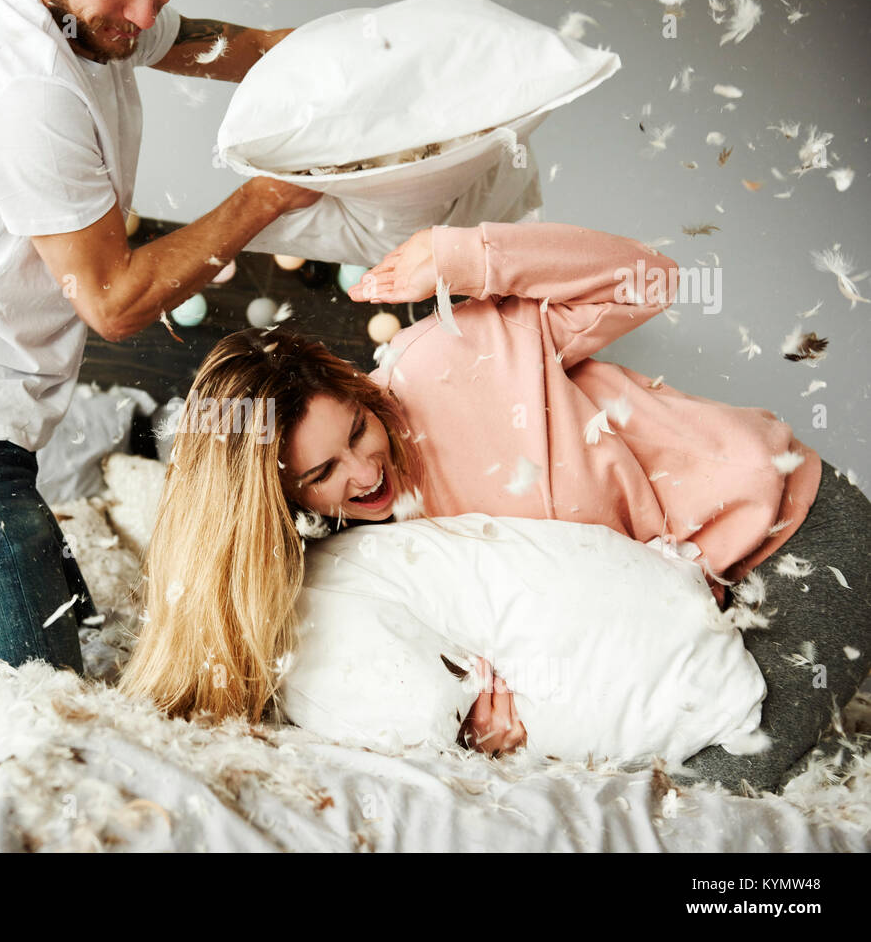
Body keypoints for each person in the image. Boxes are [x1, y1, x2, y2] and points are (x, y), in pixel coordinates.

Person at [117, 220, 871, 793]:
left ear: (354, 384)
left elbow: (655, 278)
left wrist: (469, 254)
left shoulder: (450, 356)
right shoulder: (363, 557)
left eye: (357, 428)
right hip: (685, 612)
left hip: (791, 529)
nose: (362, 469)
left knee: (721, 796)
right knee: (649, 794)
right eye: (321, 473)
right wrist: (482, 721)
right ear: (285, 494)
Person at [0, 0, 320, 685]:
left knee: (81, 659)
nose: (146, 15)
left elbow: (243, 48)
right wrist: (268, 194)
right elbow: (113, 302)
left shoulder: (98, 16)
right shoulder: (23, 85)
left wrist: (359, 59)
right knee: (31, 707)